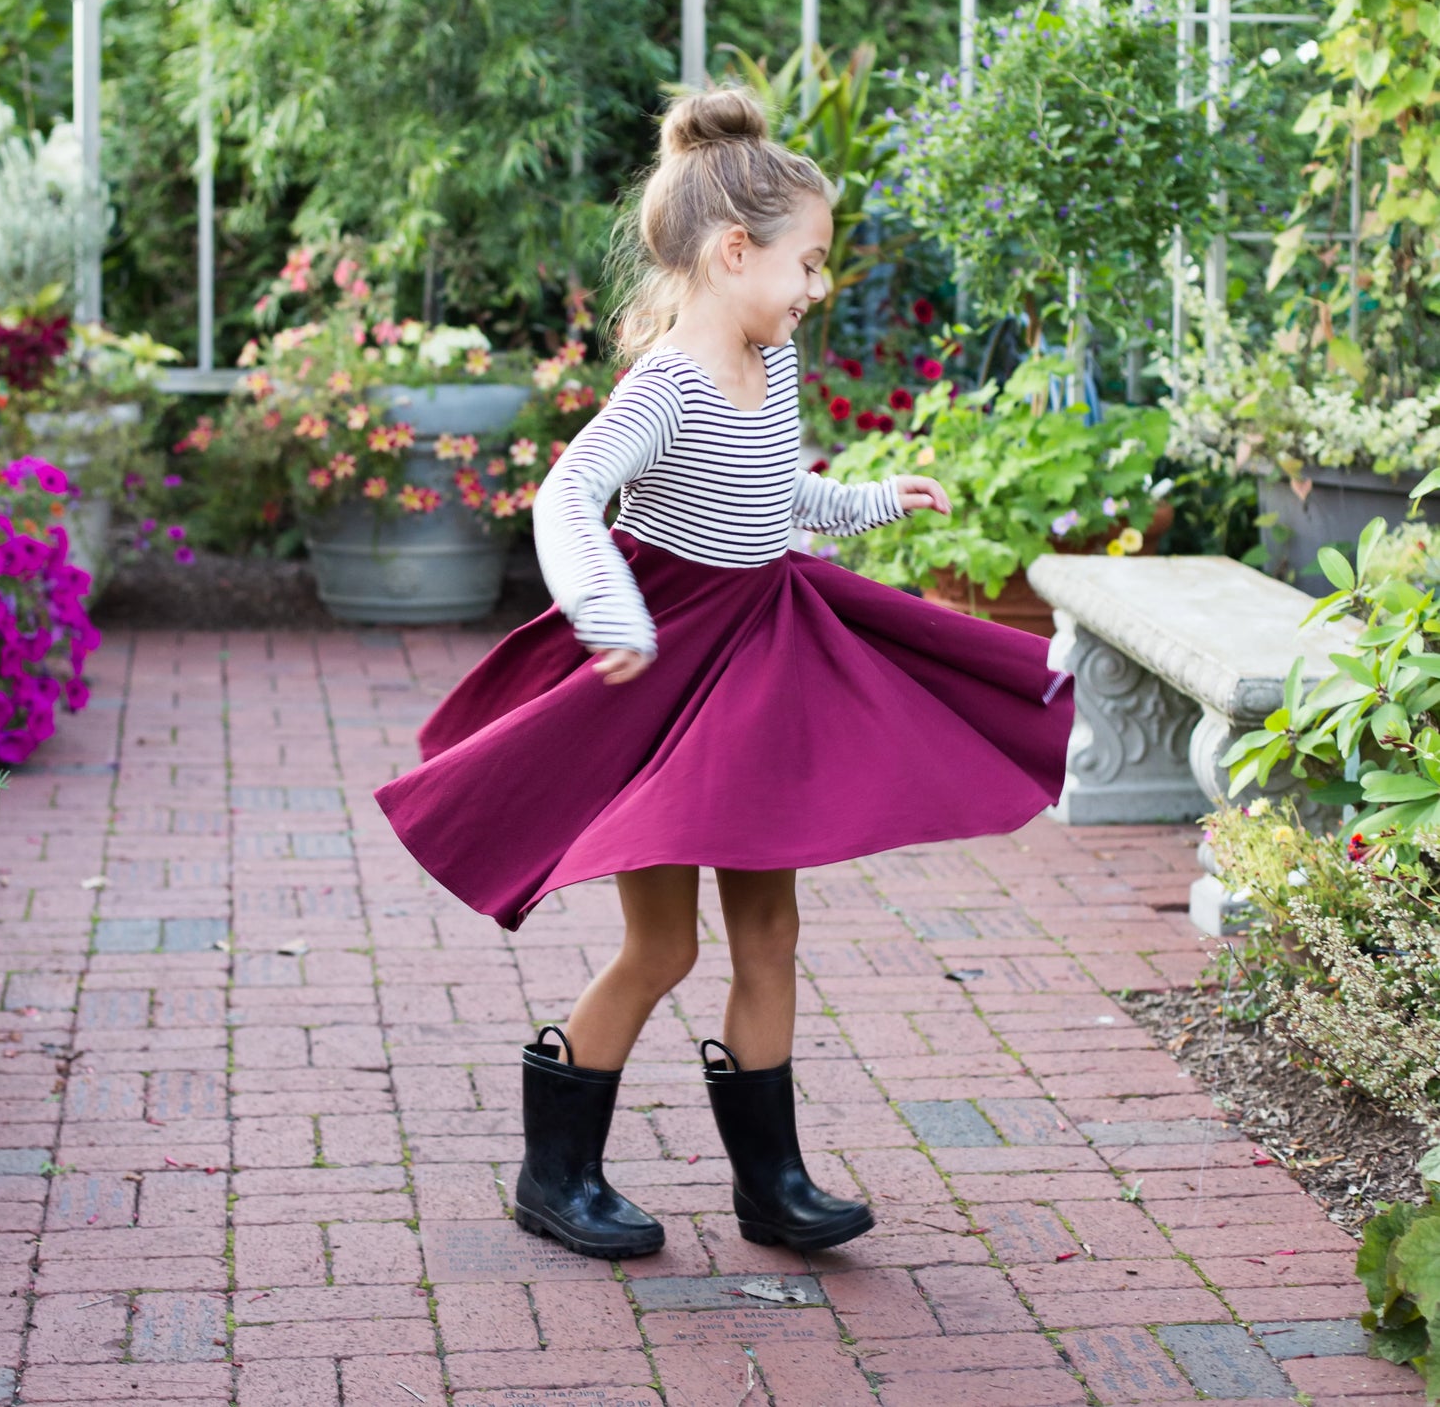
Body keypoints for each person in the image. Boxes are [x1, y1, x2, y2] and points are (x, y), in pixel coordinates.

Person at [375, 85, 1075, 1261]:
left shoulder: (769, 358)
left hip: (762, 662)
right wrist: (604, 608)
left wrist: (862, 500)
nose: (814, 289)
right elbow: (565, 497)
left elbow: (773, 491)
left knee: (770, 930)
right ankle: (556, 1173)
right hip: (660, 674)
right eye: (806, 264)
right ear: (733, 250)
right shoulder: (666, 384)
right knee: (664, 945)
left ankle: (774, 1184)